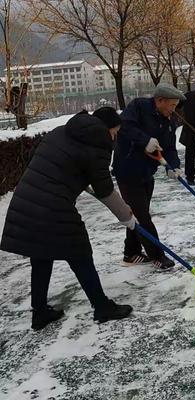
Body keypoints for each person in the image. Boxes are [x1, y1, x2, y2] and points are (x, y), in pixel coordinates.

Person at [1, 107, 135, 331]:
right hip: (53, 207)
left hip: (26, 197)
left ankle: (40, 312)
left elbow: (51, 163)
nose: (115, 136)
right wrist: (127, 217)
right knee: (80, 253)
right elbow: (104, 190)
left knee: (41, 255)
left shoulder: (60, 131)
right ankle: (102, 307)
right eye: (116, 131)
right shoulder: (99, 143)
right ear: (107, 128)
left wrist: (76, 178)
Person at [112, 83, 185, 269]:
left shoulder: (169, 121)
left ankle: (131, 253)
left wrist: (173, 166)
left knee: (137, 215)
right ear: (160, 100)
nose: (173, 109)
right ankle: (158, 256)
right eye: (172, 105)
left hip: (146, 173)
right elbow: (124, 127)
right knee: (143, 217)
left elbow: (169, 147)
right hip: (127, 172)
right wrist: (145, 140)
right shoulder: (138, 107)